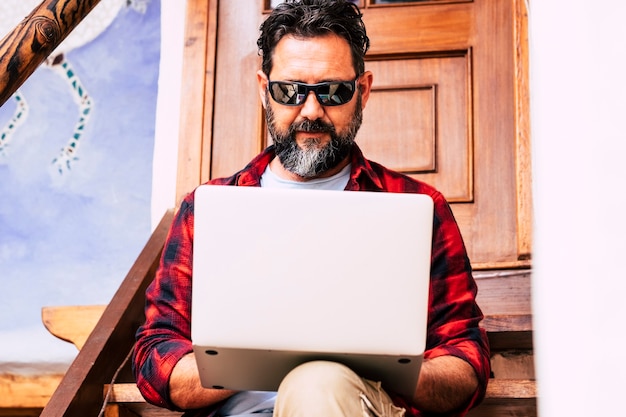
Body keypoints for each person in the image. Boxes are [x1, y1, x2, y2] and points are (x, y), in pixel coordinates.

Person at [132, 0, 490, 416]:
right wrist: (257, 361)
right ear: (263, 89)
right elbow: (156, 354)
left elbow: (465, 360)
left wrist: (385, 367)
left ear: (364, 91)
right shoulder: (207, 209)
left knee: (317, 382)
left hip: (355, 406)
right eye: (290, 91)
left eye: (333, 91)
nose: (311, 111)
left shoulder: (417, 208)